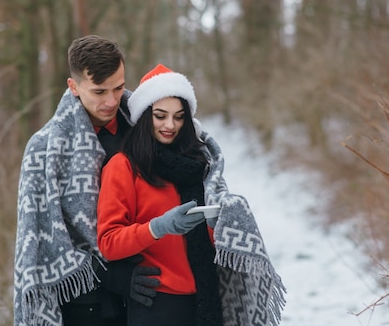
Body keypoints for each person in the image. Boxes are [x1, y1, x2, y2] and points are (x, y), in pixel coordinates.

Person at [97, 64, 288, 326]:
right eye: (160, 116)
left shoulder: (199, 164)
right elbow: (108, 243)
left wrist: (218, 225)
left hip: (205, 298)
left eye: (178, 117)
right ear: (143, 117)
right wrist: (158, 226)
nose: (170, 125)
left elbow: (205, 241)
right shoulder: (123, 166)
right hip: (156, 305)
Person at [13, 35, 161, 326]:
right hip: (85, 302)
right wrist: (114, 276)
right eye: (99, 91)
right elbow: (43, 240)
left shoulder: (146, 127)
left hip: (152, 287)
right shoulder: (44, 148)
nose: (111, 100)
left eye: (119, 87)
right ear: (74, 86)